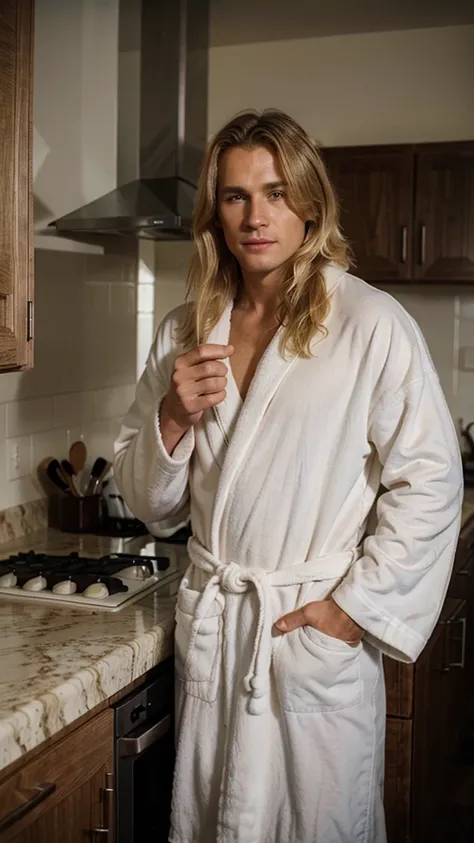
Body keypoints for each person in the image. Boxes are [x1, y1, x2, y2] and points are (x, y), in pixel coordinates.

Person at [113, 109, 463, 843]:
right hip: (221, 629)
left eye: (275, 192)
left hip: (305, 633)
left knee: (317, 822)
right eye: (236, 196)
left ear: (309, 201)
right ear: (216, 211)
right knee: (214, 820)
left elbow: (430, 482)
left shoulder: (368, 321)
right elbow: (148, 504)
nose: (256, 216)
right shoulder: (185, 330)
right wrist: (172, 416)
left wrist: (351, 611)